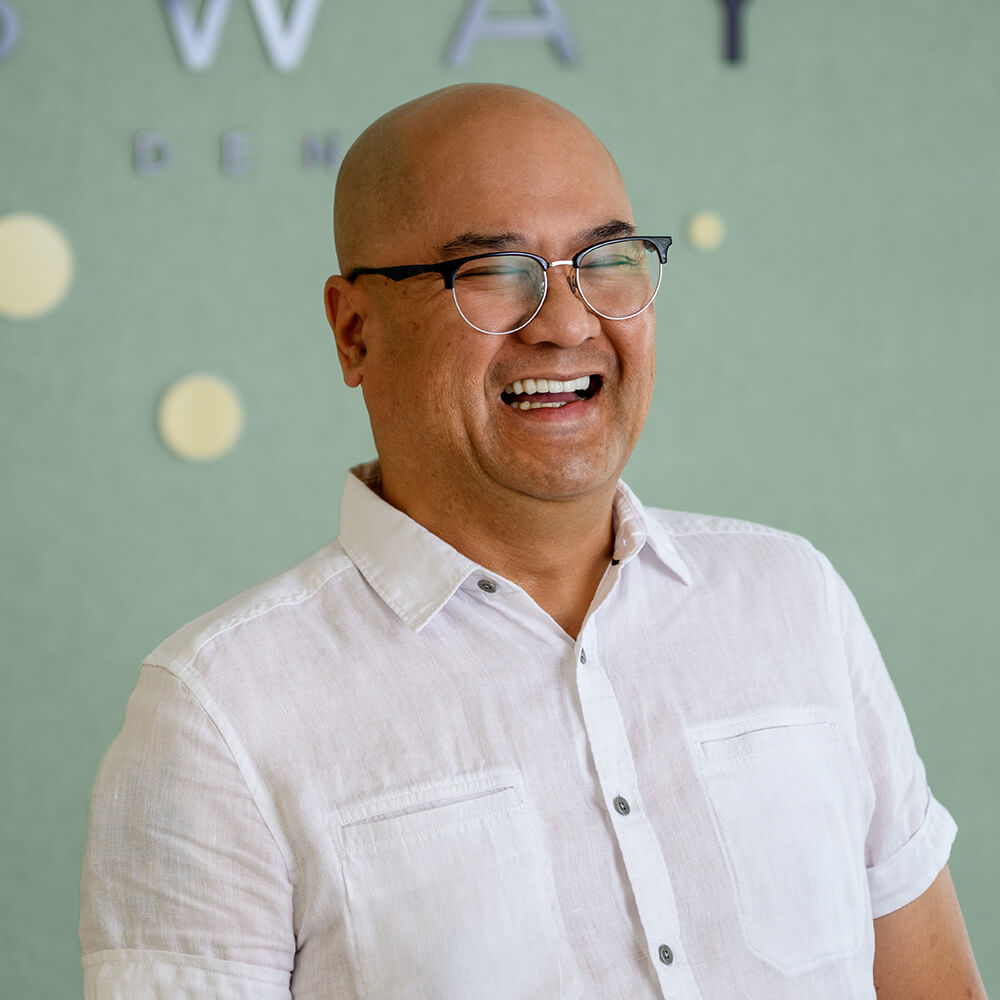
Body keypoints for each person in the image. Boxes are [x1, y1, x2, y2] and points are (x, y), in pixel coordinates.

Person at [79, 84, 987, 999]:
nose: (566, 322)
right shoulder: (219, 717)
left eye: (607, 259)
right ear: (355, 333)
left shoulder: (792, 600)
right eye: (494, 271)